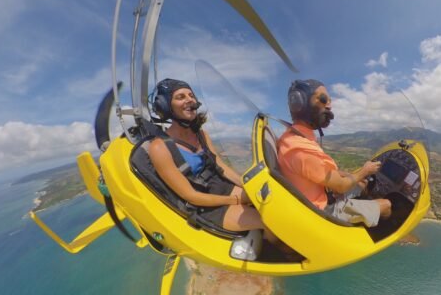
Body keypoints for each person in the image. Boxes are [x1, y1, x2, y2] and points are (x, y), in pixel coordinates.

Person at [147, 78, 268, 235]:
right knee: (267, 220)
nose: (189, 99)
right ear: (165, 106)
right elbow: (191, 196)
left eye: (191, 95)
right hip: (205, 205)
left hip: (221, 187)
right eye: (180, 97)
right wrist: (237, 200)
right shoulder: (159, 147)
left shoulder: (201, 135)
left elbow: (221, 167)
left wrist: (248, 186)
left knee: (271, 205)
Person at [276, 79, 391, 226]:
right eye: (323, 99)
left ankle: (365, 211)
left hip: (319, 194)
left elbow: (320, 171)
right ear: (301, 104)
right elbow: (341, 186)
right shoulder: (300, 149)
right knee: (386, 204)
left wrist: (351, 176)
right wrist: (365, 170)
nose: (329, 105)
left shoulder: (293, 137)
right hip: (322, 212)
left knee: (361, 184)